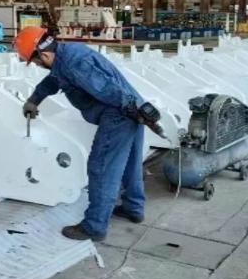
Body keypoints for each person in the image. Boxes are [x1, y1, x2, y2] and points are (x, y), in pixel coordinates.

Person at [14, 27, 165, 242]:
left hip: (120, 112)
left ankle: (94, 226)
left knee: (101, 167)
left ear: (44, 54)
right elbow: (54, 80)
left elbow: (108, 89)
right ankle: (133, 207)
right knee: (130, 161)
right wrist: (34, 100)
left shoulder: (74, 64)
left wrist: (132, 110)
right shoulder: (65, 55)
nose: (39, 66)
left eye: (37, 63)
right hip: (134, 107)